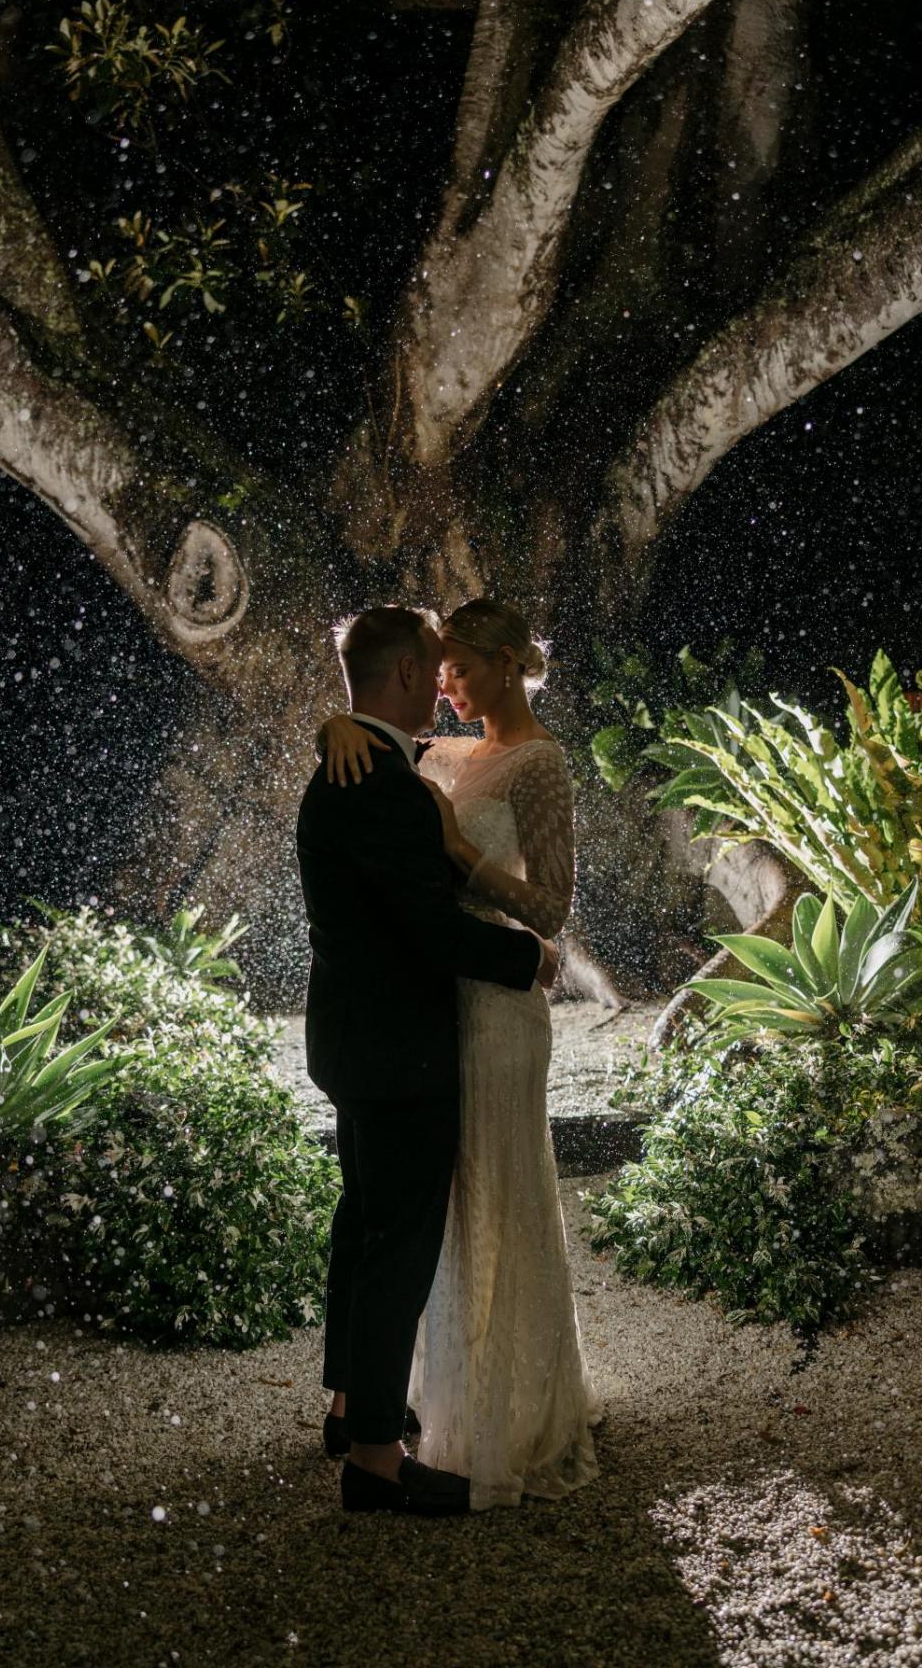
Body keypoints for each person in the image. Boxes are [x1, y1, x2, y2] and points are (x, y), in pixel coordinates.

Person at [320, 598, 601, 1510]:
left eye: (461, 669)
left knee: (491, 1196)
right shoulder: (422, 758)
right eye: (437, 671)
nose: (445, 686)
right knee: (410, 1221)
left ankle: (500, 1406)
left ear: (508, 665)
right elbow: (380, 785)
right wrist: (334, 722)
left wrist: (463, 856)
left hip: (494, 1014)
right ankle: (392, 1413)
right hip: (440, 1002)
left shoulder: (542, 764)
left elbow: (552, 906)